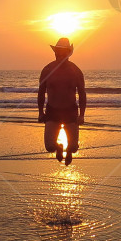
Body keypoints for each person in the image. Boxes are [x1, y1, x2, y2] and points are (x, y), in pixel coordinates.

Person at [37, 37, 86, 165]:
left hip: (70, 112)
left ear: (68, 53)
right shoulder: (47, 70)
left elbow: (82, 93)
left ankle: (69, 152)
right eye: (58, 51)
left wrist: (82, 115)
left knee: (74, 147)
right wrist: (40, 112)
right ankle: (59, 148)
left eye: (64, 51)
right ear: (55, 52)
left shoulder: (75, 71)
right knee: (49, 147)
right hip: (52, 111)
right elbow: (41, 92)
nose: (60, 54)